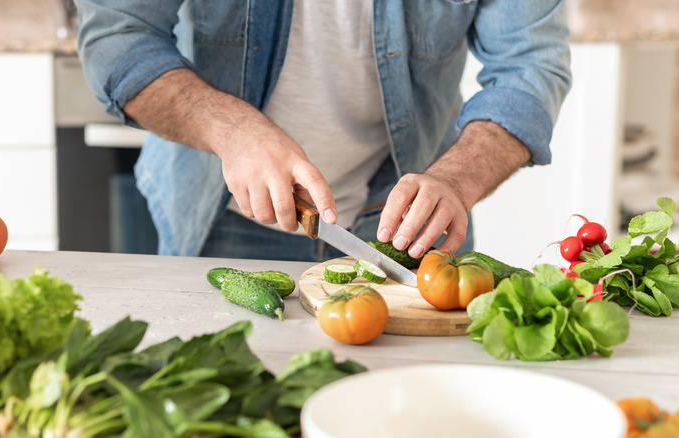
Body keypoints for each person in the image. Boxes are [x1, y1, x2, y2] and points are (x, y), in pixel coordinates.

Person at [74, 1, 571, 262]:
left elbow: (530, 64)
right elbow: (119, 37)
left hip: (412, 230)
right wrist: (235, 131)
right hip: (220, 219)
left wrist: (457, 181)